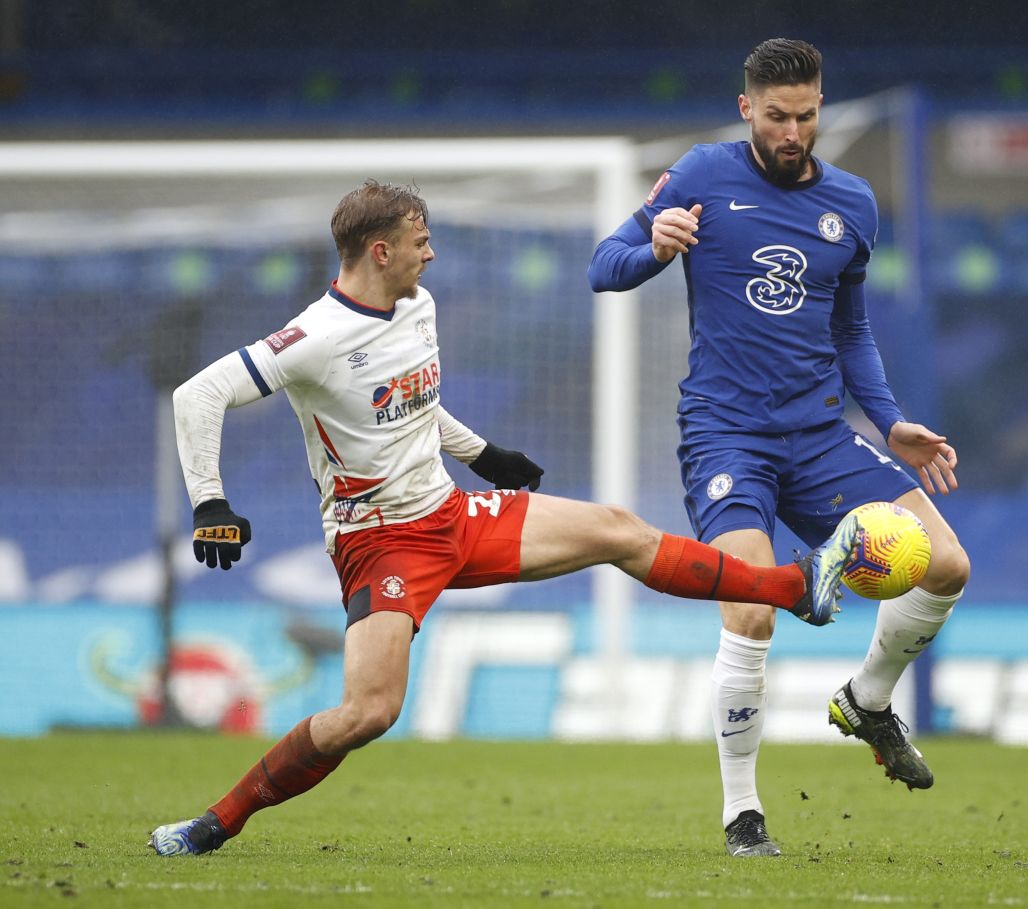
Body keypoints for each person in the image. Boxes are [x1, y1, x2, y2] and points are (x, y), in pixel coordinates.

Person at [148, 179, 862, 857]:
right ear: (380, 251)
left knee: (617, 527)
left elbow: (414, 404)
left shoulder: (416, 305)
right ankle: (214, 823)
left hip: (452, 514)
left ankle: (795, 588)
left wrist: (482, 453)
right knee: (368, 712)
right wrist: (210, 499)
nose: (431, 253)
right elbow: (198, 395)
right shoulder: (314, 338)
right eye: (420, 241)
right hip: (382, 544)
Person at [588, 38, 971, 858]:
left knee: (947, 564)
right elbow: (602, 265)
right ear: (745, 109)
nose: (792, 133)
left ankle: (867, 702)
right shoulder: (697, 175)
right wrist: (654, 250)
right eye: (776, 117)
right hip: (726, 432)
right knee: (753, 606)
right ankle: (742, 813)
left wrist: (891, 418)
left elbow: (852, 327)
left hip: (820, 433)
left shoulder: (855, 205)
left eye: (805, 116)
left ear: (819, 107)